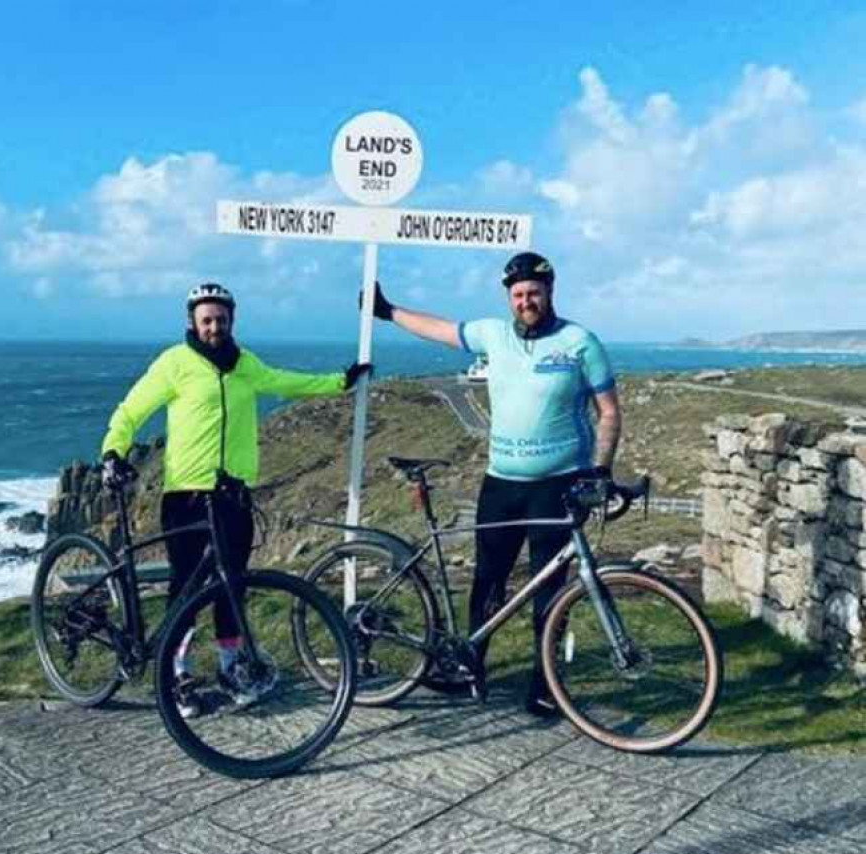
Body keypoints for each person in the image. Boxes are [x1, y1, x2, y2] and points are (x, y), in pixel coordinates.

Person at [368, 253, 621, 715]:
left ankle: (545, 685)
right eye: (518, 294)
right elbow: (442, 330)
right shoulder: (493, 334)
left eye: (534, 293)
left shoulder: (580, 342)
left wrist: (599, 472)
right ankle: (469, 668)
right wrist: (388, 312)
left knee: (552, 591)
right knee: (488, 580)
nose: (526, 301)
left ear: (549, 293)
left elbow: (608, 411)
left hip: (559, 485)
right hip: (501, 484)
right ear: (509, 297)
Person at [100, 282, 371, 709]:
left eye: (221, 319)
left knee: (232, 585)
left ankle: (231, 667)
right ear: (192, 321)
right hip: (186, 494)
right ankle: (175, 672)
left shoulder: (245, 364)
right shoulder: (175, 363)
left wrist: (340, 382)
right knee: (186, 588)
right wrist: (113, 451)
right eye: (206, 319)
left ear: (232, 320)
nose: (214, 327)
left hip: (233, 496)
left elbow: (287, 382)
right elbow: (132, 409)